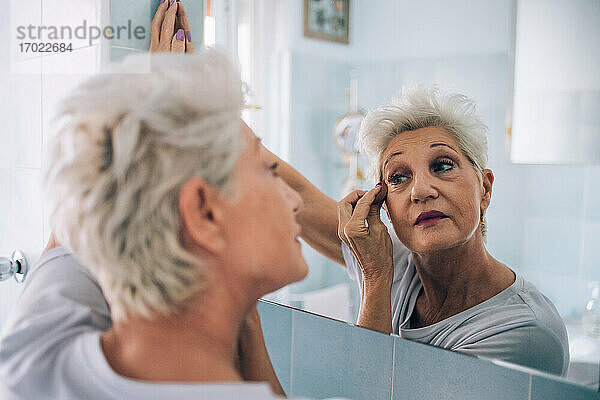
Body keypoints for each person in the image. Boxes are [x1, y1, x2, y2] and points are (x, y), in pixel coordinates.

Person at [0, 5, 352, 396]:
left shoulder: (32, 359)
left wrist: (153, 114)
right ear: (203, 212)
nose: (295, 201)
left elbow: (79, 218)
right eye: (268, 170)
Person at [265, 86, 570, 376]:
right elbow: (295, 194)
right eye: (398, 177)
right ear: (384, 205)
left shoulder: (525, 333)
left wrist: (374, 276)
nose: (420, 191)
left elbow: (365, 391)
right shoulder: (395, 261)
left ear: (485, 189)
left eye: (442, 165)